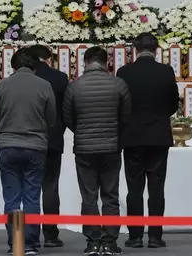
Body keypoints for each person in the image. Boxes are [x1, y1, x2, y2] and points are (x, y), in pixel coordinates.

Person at [63, 46, 131, 256]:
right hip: (111, 147)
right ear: (107, 62)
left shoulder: (75, 86)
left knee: (89, 196)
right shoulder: (118, 84)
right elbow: (126, 116)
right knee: (110, 195)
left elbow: (68, 118)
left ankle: (93, 241)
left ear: (85, 62)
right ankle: (110, 242)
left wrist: (82, 131)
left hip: (84, 148)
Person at [116, 33, 179, 248]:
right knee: (156, 188)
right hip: (158, 135)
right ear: (156, 50)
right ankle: (155, 236)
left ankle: (134, 236)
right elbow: (172, 103)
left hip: (132, 136)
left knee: (134, 188)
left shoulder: (124, 72)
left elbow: (120, 105)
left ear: (135, 49)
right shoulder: (166, 71)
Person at [0, 47, 56, 256]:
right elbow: (51, 119)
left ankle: (16, 243)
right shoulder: (44, 85)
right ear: (34, 65)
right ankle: (29, 244)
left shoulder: (2, 85)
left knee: (12, 198)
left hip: (8, 145)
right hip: (36, 146)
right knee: (31, 196)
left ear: (13, 65)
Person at [29, 44, 69, 248]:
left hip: (29, 139)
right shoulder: (60, 78)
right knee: (51, 187)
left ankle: (30, 236)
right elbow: (66, 110)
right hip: (53, 139)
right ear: (48, 58)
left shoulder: (27, 77)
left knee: (29, 188)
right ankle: (52, 235)